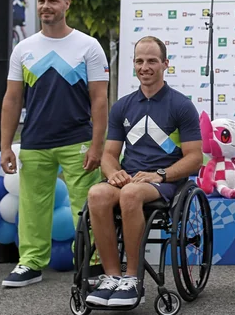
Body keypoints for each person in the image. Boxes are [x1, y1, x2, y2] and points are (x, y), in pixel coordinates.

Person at [0, 0, 109, 288]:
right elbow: (12, 100)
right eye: (41, 1)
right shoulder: (24, 48)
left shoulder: (88, 45)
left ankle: (91, 263)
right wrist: (6, 145)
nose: (46, 6)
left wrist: (97, 146)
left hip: (78, 140)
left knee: (87, 206)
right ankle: (31, 264)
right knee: (33, 207)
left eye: (53, 0)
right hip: (35, 141)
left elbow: (100, 100)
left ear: (67, 4)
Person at [84, 36, 203, 307]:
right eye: (139, 61)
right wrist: (113, 172)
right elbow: (110, 155)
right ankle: (112, 276)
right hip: (130, 178)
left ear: (165, 64)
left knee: (130, 194)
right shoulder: (123, 106)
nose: (145, 66)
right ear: (134, 64)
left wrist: (161, 175)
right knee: (97, 194)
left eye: (151, 61)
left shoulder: (181, 105)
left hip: (164, 180)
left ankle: (133, 278)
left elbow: (195, 158)